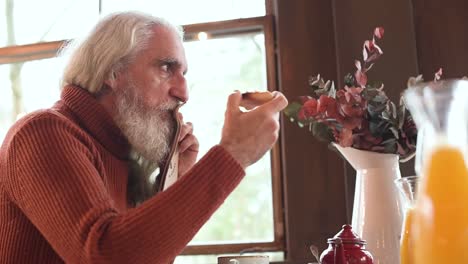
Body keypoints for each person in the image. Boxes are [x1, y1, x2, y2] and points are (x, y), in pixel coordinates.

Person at [0, 11, 288, 264]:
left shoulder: (120, 153)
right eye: (166, 68)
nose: (183, 93)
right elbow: (105, 256)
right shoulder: (42, 133)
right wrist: (232, 154)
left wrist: (175, 181)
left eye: (184, 73)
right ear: (112, 71)